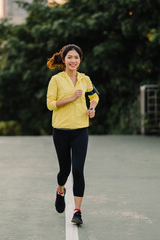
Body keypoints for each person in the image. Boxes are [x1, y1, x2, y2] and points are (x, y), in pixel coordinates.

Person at [46, 44, 99, 225]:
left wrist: (91, 108)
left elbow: (94, 96)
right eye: (69, 57)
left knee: (78, 170)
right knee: (64, 171)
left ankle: (77, 211)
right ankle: (60, 189)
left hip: (80, 131)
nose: (73, 60)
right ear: (63, 59)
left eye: (76, 57)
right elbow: (50, 104)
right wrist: (72, 98)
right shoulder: (56, 80)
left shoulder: (85, 80)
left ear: (80, 60)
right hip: (60, 131)